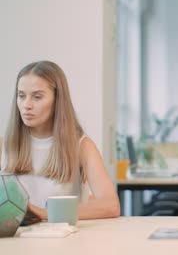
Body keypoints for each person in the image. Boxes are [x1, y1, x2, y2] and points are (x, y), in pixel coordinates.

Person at [0, 61, 120, 221]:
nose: (26, 105)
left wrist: (44, 214)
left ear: (58, 100)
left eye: (37, 97)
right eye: (21, 96)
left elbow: (111, 205)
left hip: (64, 242)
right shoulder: (4, 146)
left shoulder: (82, 146)